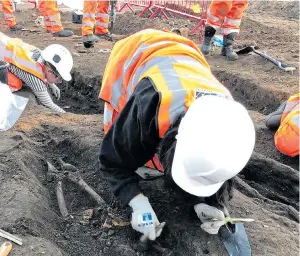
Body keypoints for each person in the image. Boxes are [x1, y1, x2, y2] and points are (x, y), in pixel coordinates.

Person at [99, 29, 255, 241]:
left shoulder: (230, 123)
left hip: (186, 56)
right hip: (135, 53)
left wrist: (204, 200)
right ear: (176, 141)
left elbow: (206, 161)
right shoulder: (150, 101)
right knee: (122, 138)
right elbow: (111, 161)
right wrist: (138, 203)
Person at [0, 32, 73, 113]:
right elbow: (48, 103)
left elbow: (45, 71)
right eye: (58, 78)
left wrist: (52, 84)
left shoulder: (40, 54)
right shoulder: (35, 79)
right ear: (50, 71)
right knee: (15, 84)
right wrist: (65, 114)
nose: (60, 81)